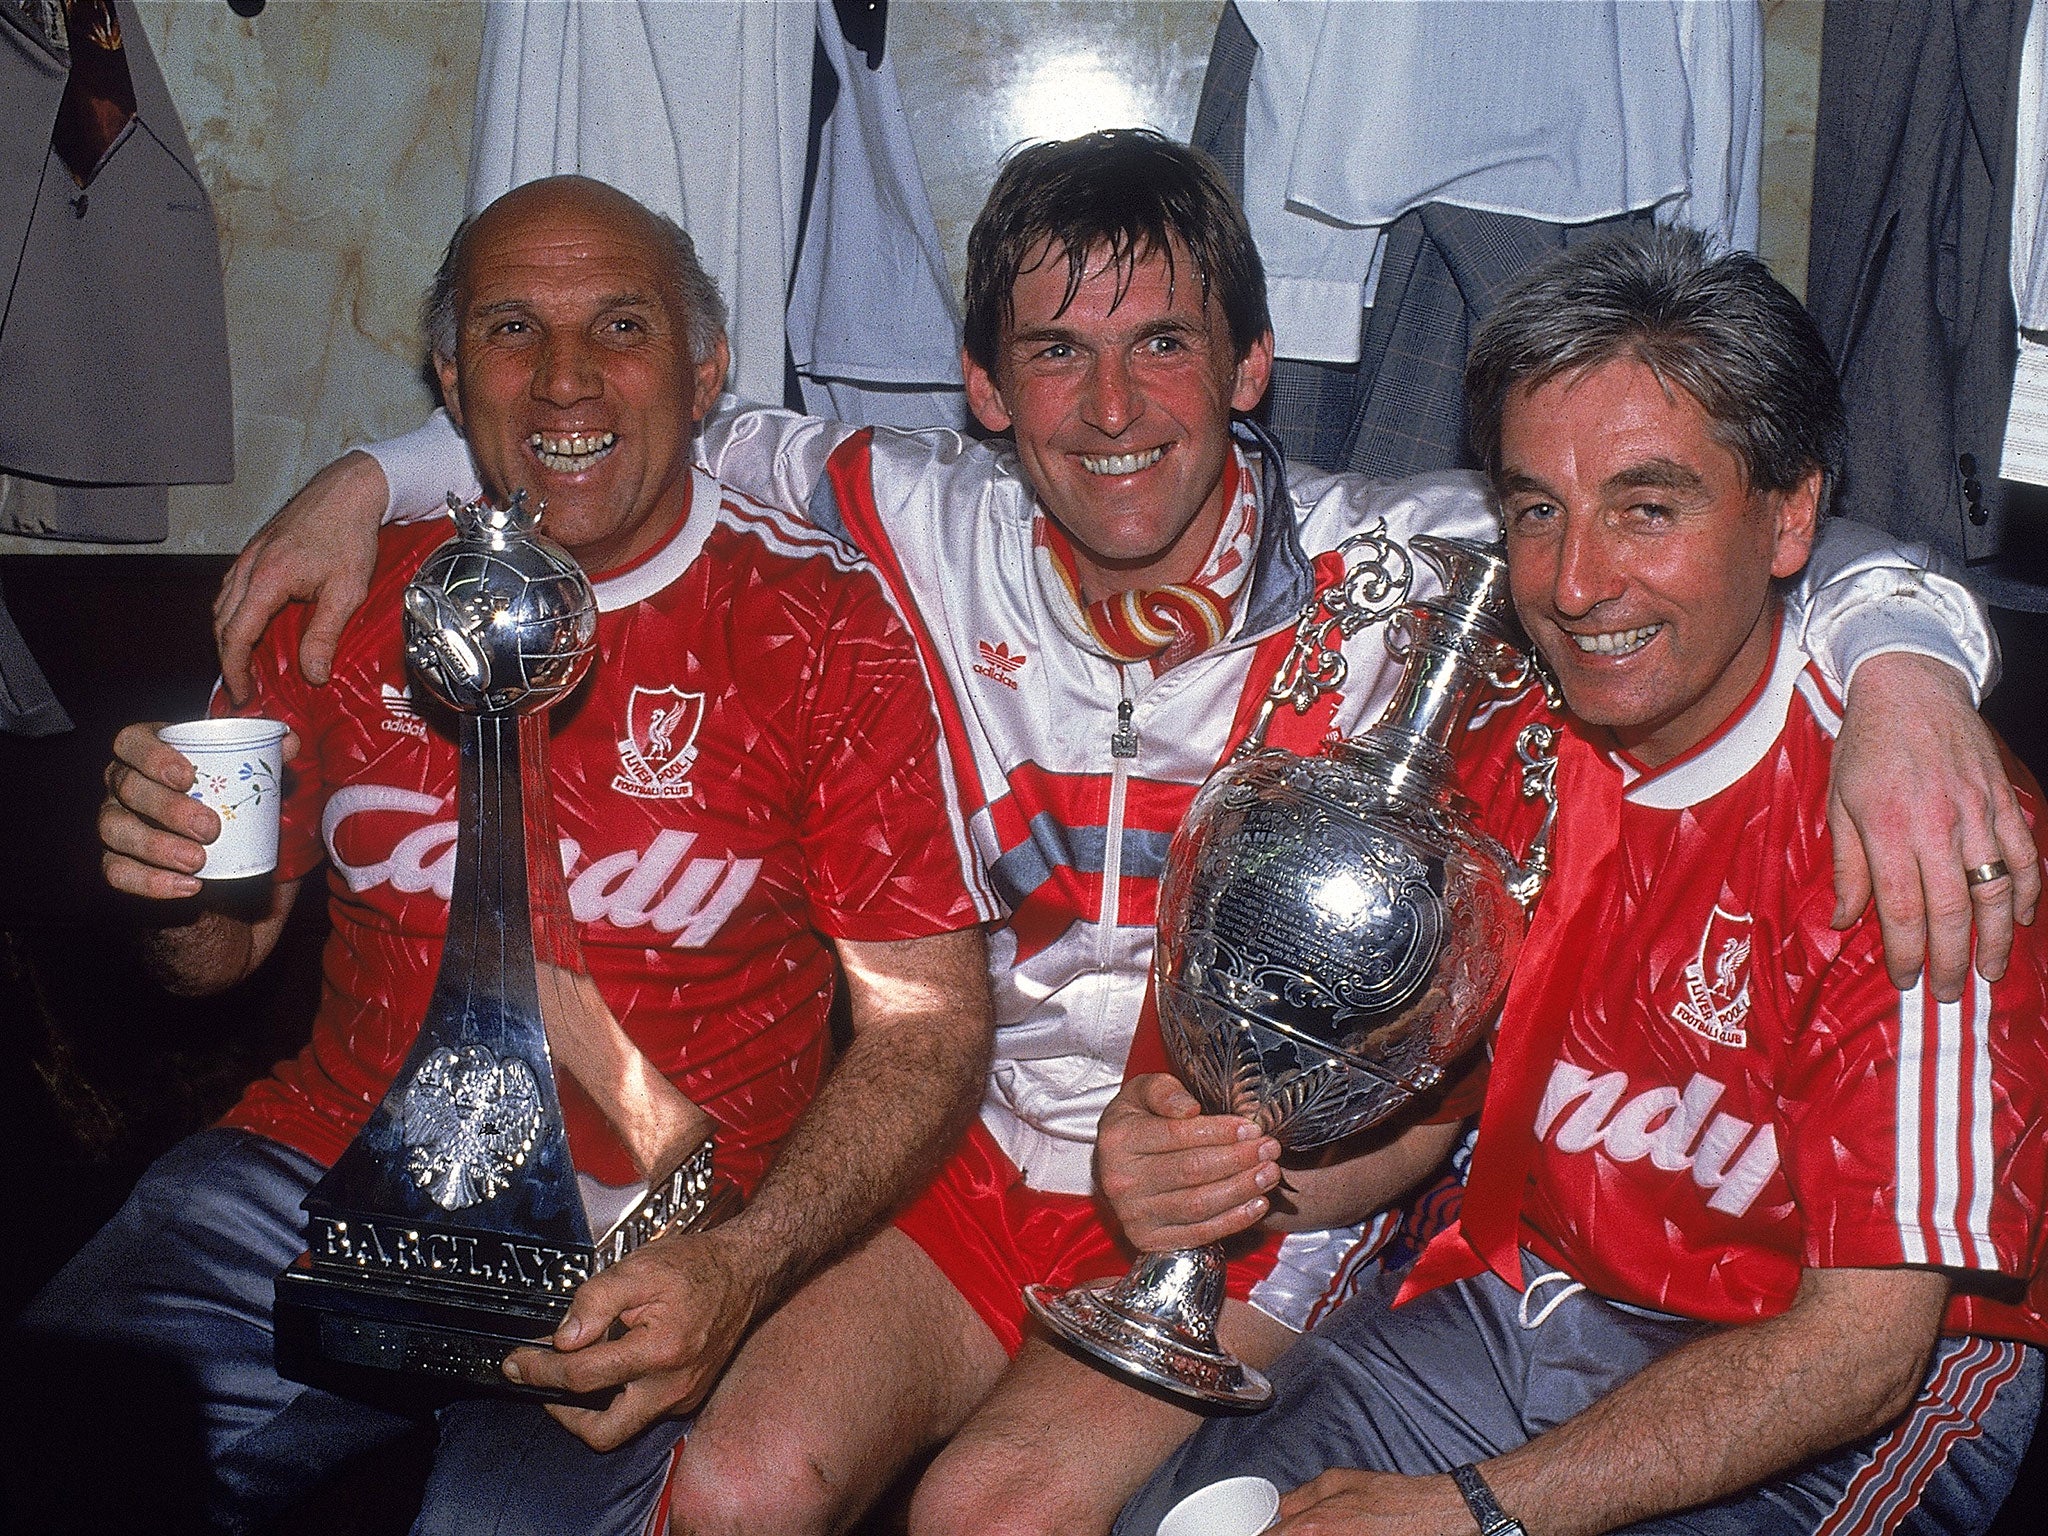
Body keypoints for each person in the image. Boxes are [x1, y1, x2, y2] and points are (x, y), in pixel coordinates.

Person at [207, 134, 2034, 1536]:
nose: (1109, 411)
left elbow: (1728, 539)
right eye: (1052, 355)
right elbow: (628, 426)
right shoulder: (904, 512)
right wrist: (366, 479)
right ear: (983, 390)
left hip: (1254, 1208)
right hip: (982, 1153)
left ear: (1248, 361)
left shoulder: (1421, 560)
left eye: (1163, 343)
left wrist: (1908, 682)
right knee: (741, 1488)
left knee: (989, 1513)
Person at [8, 176, 995, 1536]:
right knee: (55, 1444)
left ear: (707, 371)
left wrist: (748, 1268)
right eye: (512, 330)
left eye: (624, 328)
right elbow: (214, 961)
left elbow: (930, 1026)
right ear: (448, 373)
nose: (566, 383)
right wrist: (170, 890)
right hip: (315, 1175)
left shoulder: (821, 630)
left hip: (658, 1229)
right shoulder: (343, 603)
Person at [1111, 228, 2048, 1536]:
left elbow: (1860, 1353)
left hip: (1849, 1389)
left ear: (1789, 517)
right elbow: (1441, 1107)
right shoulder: (1521, 739)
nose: (1575, 582)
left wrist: (1472, 1513)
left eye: (1649, 506)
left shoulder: (1914, 821)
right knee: (1193, 1517)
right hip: (1545, 1297)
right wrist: (1210, 1178)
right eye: (1538, 507)